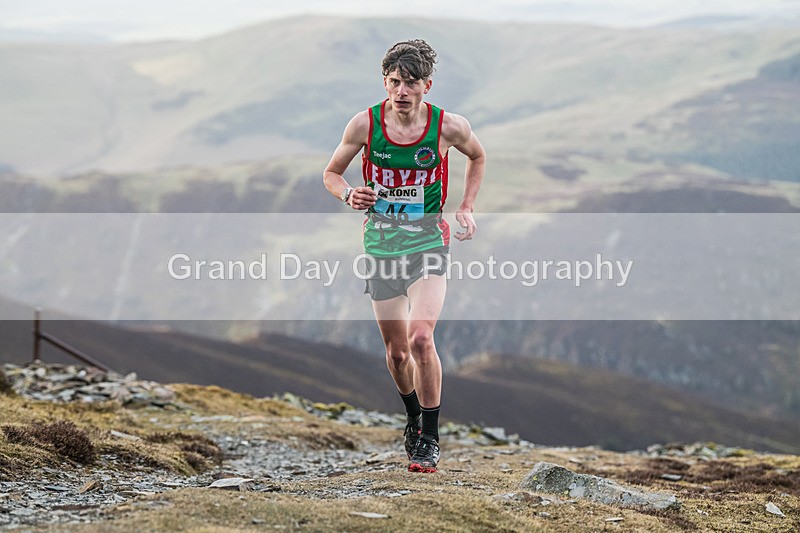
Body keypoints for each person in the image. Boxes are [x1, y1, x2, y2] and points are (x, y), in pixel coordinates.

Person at [323, 39, 485, 473]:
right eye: (394, 82)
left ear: (426, 86)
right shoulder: (364, 125)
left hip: (429, 242)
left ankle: (429, 436)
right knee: (396, 354)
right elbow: (331, 173)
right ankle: (413, 416)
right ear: (385, 82)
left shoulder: (448, 127)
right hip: (380, 246)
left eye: (411, 83)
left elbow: (478, 156)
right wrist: (348, 194)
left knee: (420, 338)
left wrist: (466, 206)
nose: (401, 91)